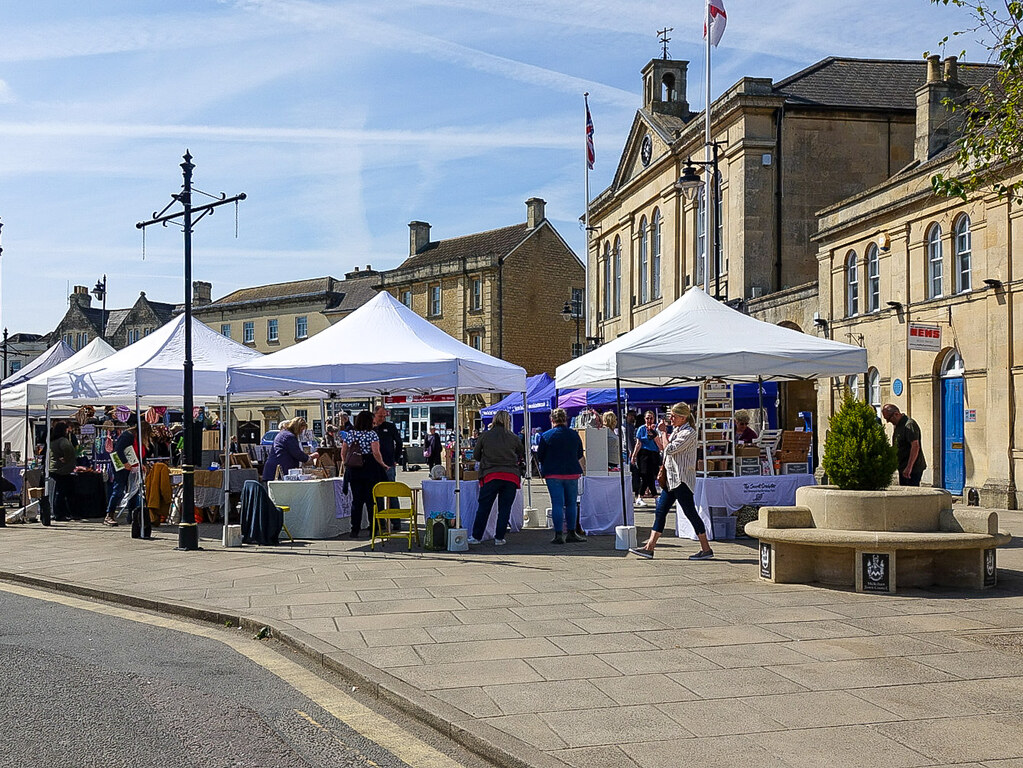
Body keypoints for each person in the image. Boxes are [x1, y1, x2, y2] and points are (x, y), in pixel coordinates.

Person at [631, 402, 713, 560]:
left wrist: (662, 433)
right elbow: (663, 448)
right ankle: (649, 547)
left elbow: (670, 449)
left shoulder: (689, 433)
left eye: (674, 416)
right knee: (660, 511)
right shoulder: (677, 430)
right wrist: (658, 435)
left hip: (681, 479)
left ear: (683, 418)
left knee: (690, 513)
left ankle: (706, 548)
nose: (671, 418)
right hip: (671, 479)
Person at [468, 410, 525, 546]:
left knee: (484, 507)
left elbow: (476, 455)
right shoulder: (513, 437)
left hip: (491, 475)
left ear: (494, 420)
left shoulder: (485, 436)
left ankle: (476, 536)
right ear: (507, 421)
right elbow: (521, 453)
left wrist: (486, 459)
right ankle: (499, 537)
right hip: (510, 476)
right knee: (504, 509)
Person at [536, 408, 586, 545]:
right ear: (566, 419)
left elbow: (540, 456)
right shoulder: (574, 435)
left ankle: (558, 534)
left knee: (557, 504)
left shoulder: (546, 436)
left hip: (553, 473)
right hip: (571, 472)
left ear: (552, 419)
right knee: (571, 504)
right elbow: (579, 454)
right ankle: (571, 533)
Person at [342, 410, 389, 538]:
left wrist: (346, 462)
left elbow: (344, 450)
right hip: (369, 467)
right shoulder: (372, 434)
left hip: (354, 468)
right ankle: (373, 527)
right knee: (370, 500)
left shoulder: (350, 433)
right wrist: (382, 464)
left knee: (356, 501)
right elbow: (376, 452)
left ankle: (354, 529)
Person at [882, 404, 926, 486]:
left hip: (912, 468)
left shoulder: (909, 425)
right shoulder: (898, 425)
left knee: (910, 494)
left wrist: (909, 467)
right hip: (902, 466)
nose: (888, 422)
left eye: (888, 418)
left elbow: (915, 446)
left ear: (896, 414)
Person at [630, 411, 661, 507]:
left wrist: (654, 434)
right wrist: (634, 455)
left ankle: (642, 496)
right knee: (645, 475)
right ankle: (653, 496)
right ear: (644, 419)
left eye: (651, 418)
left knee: (651, 475)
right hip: (644, 454)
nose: (649, 420)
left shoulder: (657, 429)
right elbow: (638, 443)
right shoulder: (641, 429)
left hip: (654, 453)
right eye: (647, 418)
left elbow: (660, 444)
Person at [48, 421, 77, 524]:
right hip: (62, 470)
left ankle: (59, 513)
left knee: (58, 492)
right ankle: (60, 514)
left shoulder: (52, 440)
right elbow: (69, 450)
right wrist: (67, 458)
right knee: (61, 493)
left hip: (54, 469)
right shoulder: (63, 441)